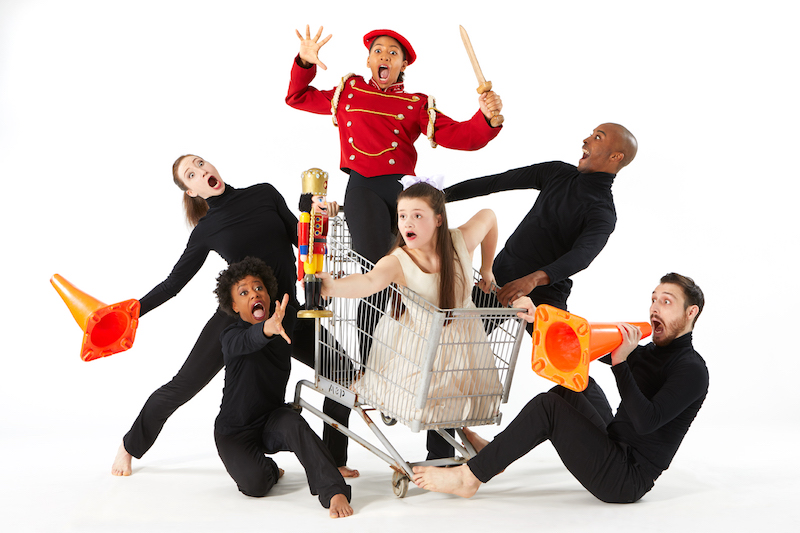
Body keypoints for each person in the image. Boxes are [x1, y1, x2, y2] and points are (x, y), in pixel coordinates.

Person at [111, 155, 358, 479]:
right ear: (190, 191)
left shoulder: (264, 194)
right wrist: (132, 312)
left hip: (286, 312)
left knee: (341, 370)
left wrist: (314, 214)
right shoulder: (207, 229)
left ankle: (334, 458)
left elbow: (300, 239)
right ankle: (130, 446)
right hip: (237, 322)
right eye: (191, 174)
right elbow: (174, 284)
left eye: (201, 164)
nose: (202, 172)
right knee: (183, 386)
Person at [412, 273, 708, 504]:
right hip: (615, 443)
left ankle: (469, 478)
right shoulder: (648, 353)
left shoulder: (692, 370)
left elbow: (647, 422)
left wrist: (621, 364)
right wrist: (535, 316)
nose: (655, 307)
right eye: (654, 299)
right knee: (577, 387)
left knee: (548, 407)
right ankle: (494, 456)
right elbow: (574, 342)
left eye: (666, 302)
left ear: (691, 312)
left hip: (625, 478)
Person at [286, 25, 503, 266]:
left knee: (413, 273)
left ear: (403, 65)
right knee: (376, 268)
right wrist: (305, 63)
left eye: (393, 53)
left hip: (404, 193)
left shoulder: (415, 104)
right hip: (364, 188)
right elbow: (298, 97)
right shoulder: (349, 92)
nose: (384, 56)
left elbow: (460, 135)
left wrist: (484, 117)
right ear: (368, 61)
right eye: (378, 51)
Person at [316, 178, 499, 459]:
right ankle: (442, 458)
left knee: (454, 393)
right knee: (429, 394)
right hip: (418, 344)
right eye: (402, 216)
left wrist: (487, 269)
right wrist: (331, 287)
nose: (407, 223)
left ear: (438, 219)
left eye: (417, 216)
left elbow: (489, 217)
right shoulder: (398, 260)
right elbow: (368, 282)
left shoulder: (458, 241)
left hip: (461, 339)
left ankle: (445, 455)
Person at [444, 123, 638, 321]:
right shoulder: (557, 173)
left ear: (616, 157)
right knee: (454, 337)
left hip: (545, 295)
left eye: (598, 137)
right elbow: (497, 182)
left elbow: (582, 256)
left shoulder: (603, 212)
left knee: (562, 350)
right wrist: (438, 197)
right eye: (591, 134)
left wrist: (533, 280)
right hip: (502, 280)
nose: (586, 140)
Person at [212, 257, 353, 518]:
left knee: (295, 425)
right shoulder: (231, 336)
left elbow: (313, 310)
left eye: (258, 288)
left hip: (272, 419)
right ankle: (271, 470)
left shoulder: (283, 327)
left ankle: (334, 490)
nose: (254, 293)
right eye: (244, 292)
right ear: (234, 306)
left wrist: (329, 290)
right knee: (256, 485)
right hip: (235, 431)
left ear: (268, 295)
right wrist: (266, 328)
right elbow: (249, 340)